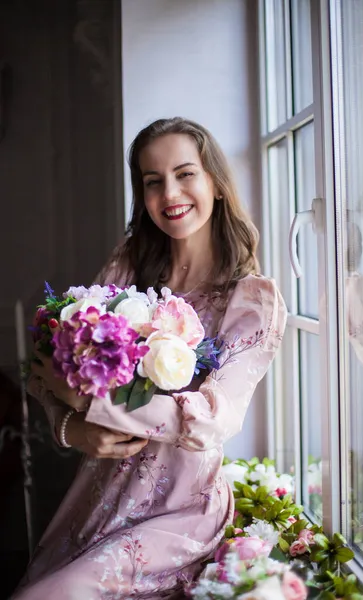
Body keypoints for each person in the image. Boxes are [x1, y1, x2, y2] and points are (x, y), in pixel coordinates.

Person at [13, 117, 287, 599]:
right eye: (152, 181)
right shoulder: (129, 268)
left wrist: (91, 402)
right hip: (97, 495)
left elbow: (207, 424)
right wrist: (70, 428)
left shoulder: (251, 301)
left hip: (178, 514)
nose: (170, 192)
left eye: (185, 173)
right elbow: (46, 369)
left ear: (216, 183)